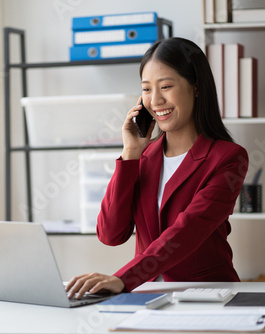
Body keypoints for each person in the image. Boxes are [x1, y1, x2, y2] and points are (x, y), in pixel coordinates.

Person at [66, 37, 249, 299]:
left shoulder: (229, 158)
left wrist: (122, 278)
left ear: (196, 88)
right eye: (147, 89)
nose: (155, 100)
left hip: (208, 294)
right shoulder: (143, 156)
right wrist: (130, 155)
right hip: (147, 294)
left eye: (166, 86)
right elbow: (111, 234)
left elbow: (189, 229)